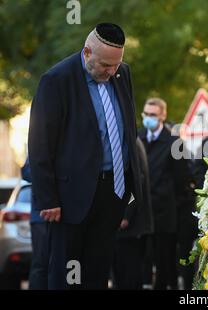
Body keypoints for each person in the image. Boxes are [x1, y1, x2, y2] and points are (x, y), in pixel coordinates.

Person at [28, 23, 143, 289]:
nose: (111, 71)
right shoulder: (56, 80)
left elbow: (128, 128)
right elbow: (39, 144)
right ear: (87, 51)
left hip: (113, 193)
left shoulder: (121, 74)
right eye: (105, 65)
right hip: (69, 199)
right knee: (66, 275)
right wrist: (48, 198)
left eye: (116, 65)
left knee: (98, 273)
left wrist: (129, 188)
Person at [138, 98, 190, 290]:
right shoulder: (137, 137)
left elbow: (181, 179)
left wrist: (171, 203)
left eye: (153, 114)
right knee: (142, 260)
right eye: (146, 114)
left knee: (165, 262)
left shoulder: (175, 143)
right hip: (141, 211)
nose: (148, 118)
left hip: (165, 212)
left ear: (162, 115)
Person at [112, 138, 153, 290]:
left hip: (130, 226)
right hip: (122, 224)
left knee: (128, 274)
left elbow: (137, 183)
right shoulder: (128, 141)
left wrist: (125, 215)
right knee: (120, 273)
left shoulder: (130, 143)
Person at [21, 158, 48, 290]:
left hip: (69, 217)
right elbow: (26, 172)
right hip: (41, 217)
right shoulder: (39, 145)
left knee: (72, 262)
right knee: (40, 264)